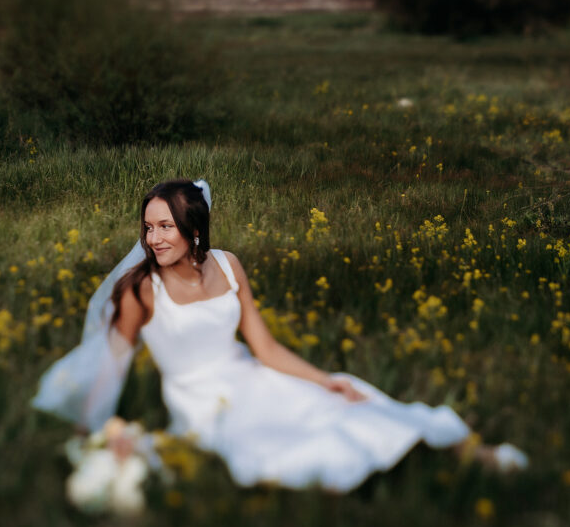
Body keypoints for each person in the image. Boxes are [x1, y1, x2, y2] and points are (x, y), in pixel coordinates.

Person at [33, 179, 527, 493]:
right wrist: (89, 426)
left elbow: (264, 347)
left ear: (194, 230)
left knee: (340, 398)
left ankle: (468, 455)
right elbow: (112, 361)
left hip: (249, 373)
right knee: (278, 444)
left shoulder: (228, 266)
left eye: (165, 226)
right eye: (148, 228)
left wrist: (322, 379)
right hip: (203, 402)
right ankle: (370, 483)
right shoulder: (140, 289)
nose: (153, 238)